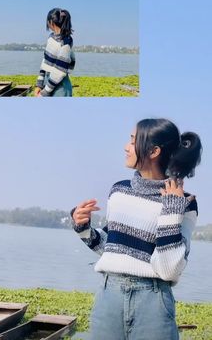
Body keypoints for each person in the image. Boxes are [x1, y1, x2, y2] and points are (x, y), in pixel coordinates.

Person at [71, 118, 202, 340]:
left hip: (152, 299)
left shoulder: (185, 203)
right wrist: (83, 227)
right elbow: (111, 248)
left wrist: (171, 211)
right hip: (108, 296)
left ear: (153, 151)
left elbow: (170, 269)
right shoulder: (119, 191)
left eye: (133, 140)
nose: (126, 146)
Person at [35, 8, 75, 97]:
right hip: (49, 82)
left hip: (60, 87)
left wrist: (45, 91)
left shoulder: (65, 43)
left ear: (51, 22)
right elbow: (45, 60)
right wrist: (39, 83)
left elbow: (60, 71)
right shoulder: (51, 38)